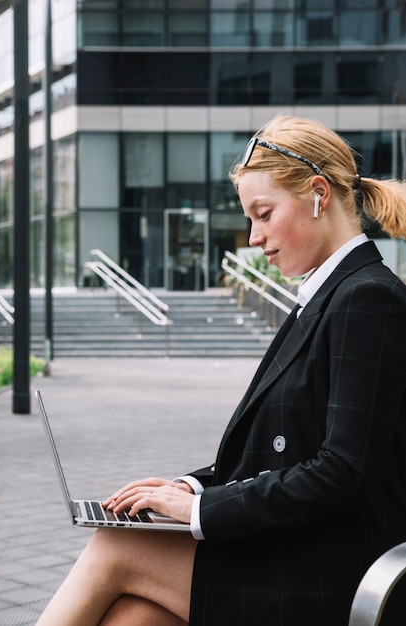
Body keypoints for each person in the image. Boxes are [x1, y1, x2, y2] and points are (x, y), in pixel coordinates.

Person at [35, 114, 406, 626]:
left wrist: (200, 514)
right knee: (134, 615)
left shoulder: (367, 299)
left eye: (263, 213)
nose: (253, 238)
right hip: (303, 551)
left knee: (118, 545)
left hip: (338, 572)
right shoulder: (329, 298)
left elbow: (342, 471)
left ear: (318, 194)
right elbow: (290, 452)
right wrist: (190, 489)